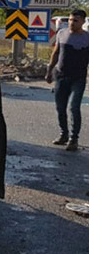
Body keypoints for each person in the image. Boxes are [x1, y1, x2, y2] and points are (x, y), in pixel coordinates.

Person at [45, 9, 89, 151]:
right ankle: (63, 134)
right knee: (60, 107)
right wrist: (49, 71)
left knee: (74, 107)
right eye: (70, 20)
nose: (72, 23)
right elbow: (56, 52)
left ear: (83, 22)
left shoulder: (88, 38)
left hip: (78, 78)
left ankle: (73, 139)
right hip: (61, 75)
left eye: (75, 21)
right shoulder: (61, 34)